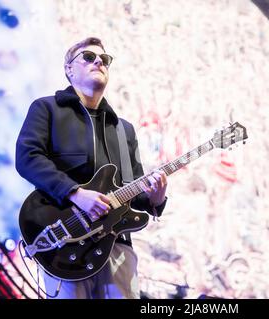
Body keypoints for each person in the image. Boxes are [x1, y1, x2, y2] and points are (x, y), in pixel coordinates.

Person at [15, 37, 168, 299]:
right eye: (88, 56)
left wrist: (156, 199)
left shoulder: (124, 129)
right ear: (69, 69)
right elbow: (27, 157)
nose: (99, 61)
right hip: (64, 242)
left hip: (117, 247)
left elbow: (135, 189)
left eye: (105, 59)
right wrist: (75, 193)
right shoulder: (47, 108)